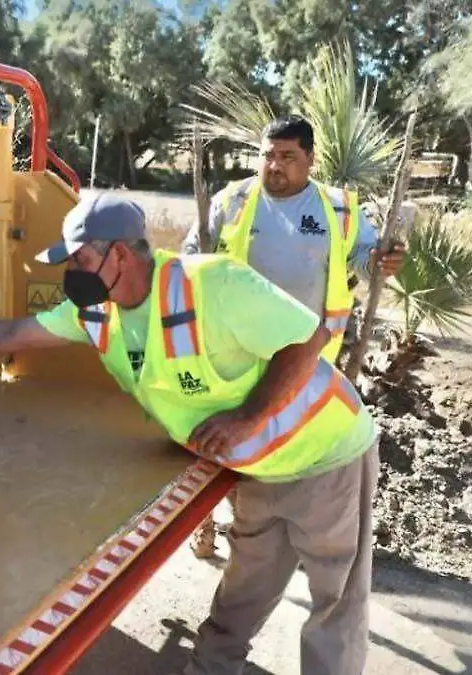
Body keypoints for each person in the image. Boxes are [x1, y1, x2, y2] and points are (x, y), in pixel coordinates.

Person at [0, 192, 381, 675]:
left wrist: (247, 418)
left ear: (119, 254)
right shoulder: (97, 312)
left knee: (336, 599)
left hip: (326, 456)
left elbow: (308, 338)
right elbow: (9, 336)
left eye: (79, 259)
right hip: (254, 467)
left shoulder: (214, 284)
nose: (71, 273)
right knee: (248, 584)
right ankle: (210, 667)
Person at [183, 115, 406, 559]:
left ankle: (266, 533)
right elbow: (193, 253)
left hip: (304, 356)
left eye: (288, 157)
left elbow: (365, 259)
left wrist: (382, 261)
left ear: (311, 159)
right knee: (217, 440)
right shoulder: (233, 199)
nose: (274, 166)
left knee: (283, 442)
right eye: (268, 155)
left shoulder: (339, 210)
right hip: (236, 351)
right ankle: (204, 524)